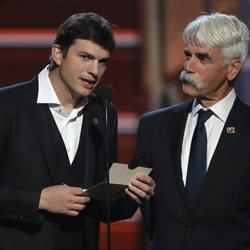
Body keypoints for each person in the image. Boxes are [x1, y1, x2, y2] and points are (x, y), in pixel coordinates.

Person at [0, 12, 155, 250]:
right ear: (58, 54)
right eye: (85, 57)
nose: (94, 70)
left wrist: (130, 194)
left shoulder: (103, 112)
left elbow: (102, 206)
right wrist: (39, 200)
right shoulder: (7, 105)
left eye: (103, 61)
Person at [137, 12, 250, 250]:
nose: (188, 66)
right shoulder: (154, 126)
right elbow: (131, 203)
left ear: (233, 69)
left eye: (203, 58)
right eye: (188, 55)